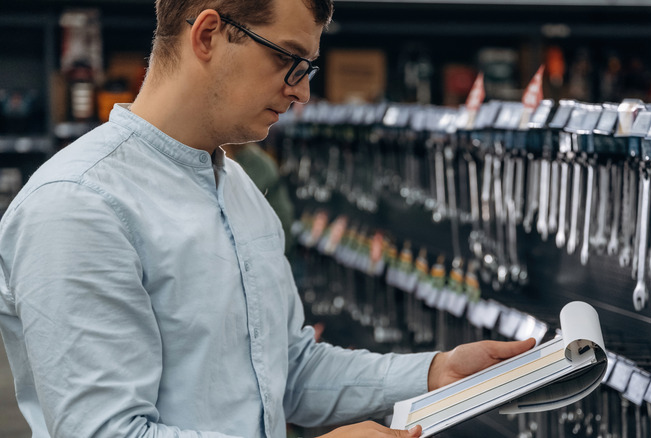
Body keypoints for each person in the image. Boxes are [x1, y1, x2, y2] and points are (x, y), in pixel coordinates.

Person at [0, 1, 536, 437]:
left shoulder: (240, 192)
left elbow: (288, 371)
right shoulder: (78, 206)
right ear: (208, 34)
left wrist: (432, 372)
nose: (302, 91)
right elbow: (108, 434)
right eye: (290, 61)